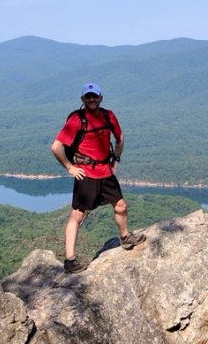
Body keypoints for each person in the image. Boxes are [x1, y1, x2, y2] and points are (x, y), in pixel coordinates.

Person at [51, 82, 146, 274]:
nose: (92, 99)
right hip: (85, 173)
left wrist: (116, 160)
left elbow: (119, 137)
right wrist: (70, 167)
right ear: (83, 99)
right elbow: (56, 146)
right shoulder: (78, 120)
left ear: (101, 98)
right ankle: (70, 260)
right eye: (88, 97)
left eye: (95, 96)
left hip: (105, 171)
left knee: (121, 206)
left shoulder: (108, 116)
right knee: (78, 215)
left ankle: (125, 237)